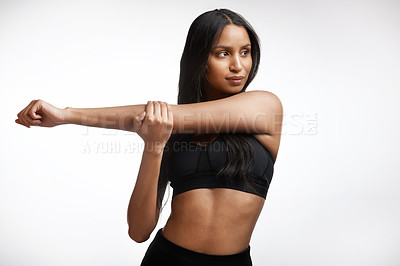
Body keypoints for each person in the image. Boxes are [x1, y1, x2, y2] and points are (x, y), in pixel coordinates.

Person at [15, 8, 283, 266]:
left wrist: (66, 115)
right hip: (167, 258)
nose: (238, 65)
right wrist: (154, 146)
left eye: (245, 52)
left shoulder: (264, 107)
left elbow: (150, 115)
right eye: (223, 53)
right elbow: (139, 231)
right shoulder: (170, 130)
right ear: (200, 59)